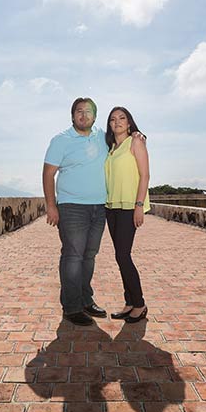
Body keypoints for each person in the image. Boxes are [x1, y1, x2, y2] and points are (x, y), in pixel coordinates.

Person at [43, 97, 109, 326]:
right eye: (79, 111)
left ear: (95, 116)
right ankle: (71, 307)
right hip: (71, 207)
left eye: (88, 111)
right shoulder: (60, 140)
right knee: (73, 256)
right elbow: (48, 174)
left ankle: (85, 300)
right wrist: (51, 206)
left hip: (99, 207)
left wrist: (138, 135)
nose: (83, 115)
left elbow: (124, 137)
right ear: (72, 116)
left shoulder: (102, 137)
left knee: (89, 255)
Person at [104, 106, 150, 323]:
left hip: (129, 206)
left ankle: (139, 304)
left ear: (129, 122)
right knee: (119, 255)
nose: (117, 122)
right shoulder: (111, 148)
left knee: (123, 255)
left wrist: (139, 205)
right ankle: (129, 302)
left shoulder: (136, 141)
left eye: (122, 118)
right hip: (111, 206)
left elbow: (145, 175)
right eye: (113, 119)